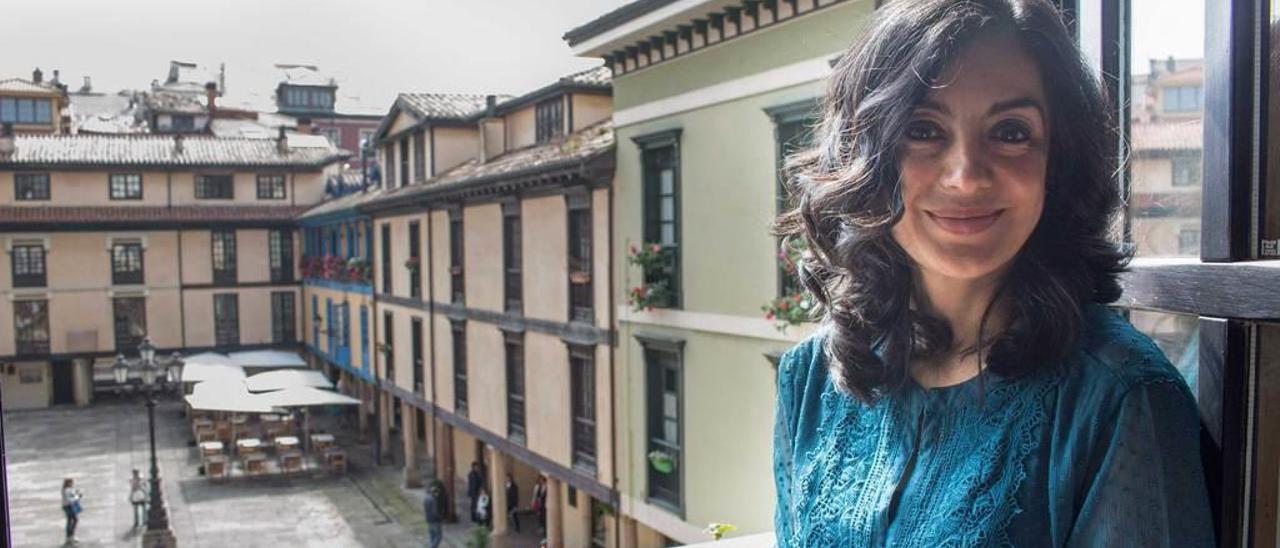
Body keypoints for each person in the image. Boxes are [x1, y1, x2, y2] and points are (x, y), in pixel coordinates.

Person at [771, 0, 1215, 546]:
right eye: (922, 129)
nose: (966, 177)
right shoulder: (811, 376)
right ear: (866, 155)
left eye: (1010, 132)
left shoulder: (1121, 397)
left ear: (1059, 162)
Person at [61, 477, 82, 545]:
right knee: (74, 520)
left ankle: (70, 536)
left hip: (68, 506)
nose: (72, 484)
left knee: (71, 521)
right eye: (71, 482)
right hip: (68, 507)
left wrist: (76, 494)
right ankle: (70, 536)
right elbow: (69, 500)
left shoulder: (68, 489)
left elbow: (72, 495)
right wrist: (77, 497)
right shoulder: (66, 490)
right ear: (68, 483)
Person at [424, 483, 444, 548]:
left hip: (428, 519)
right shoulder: (433, 500)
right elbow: (434, 512)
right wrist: (440, 517)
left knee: (432, 536)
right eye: (437, 493)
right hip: (435, 521)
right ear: (434, 493)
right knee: (439, 536)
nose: (437, 495)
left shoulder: (426, 498)